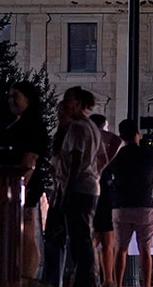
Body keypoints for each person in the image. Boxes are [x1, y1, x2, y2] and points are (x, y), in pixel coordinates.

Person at [42, 87, 105, 287]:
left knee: (80, 238)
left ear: (77, 103)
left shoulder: (77, 127)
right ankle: (86, 279)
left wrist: (68, 188)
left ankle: (86, 281)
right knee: (82, 236)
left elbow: (76, 159)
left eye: (68, 101)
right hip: (89, 187)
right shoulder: (92, 126)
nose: (66, 105)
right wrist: (94, 174)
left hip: (78, 188)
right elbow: (103, 157)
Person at [103, 119, 153, 287]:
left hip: (121, 206)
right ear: (137, 134)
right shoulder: (148, 153)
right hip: (144, 206)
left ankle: (118, 284)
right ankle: (147, 284)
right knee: (145, 249)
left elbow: (107, 172)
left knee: (120, 249)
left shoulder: (118, 155)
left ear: (121, 136)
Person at [1, 80, 52, 280]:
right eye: (9, 96)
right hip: (15, 183)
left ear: (28, 99)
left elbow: (30, 159)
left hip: (24, 185)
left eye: (16, 96)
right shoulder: (18, 123)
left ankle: (27, 277)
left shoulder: (32, 125)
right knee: (19, 231)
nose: (11, 100)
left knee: (26, 231)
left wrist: (20, 185)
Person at [90, 114, 125, 287]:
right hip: (103, 195)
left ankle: (102, 278)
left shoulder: (88, 146)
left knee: (98, 237)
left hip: (94, 194)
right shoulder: (103, 150)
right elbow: (117, 140)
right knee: (107, 239)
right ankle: (106, 279)